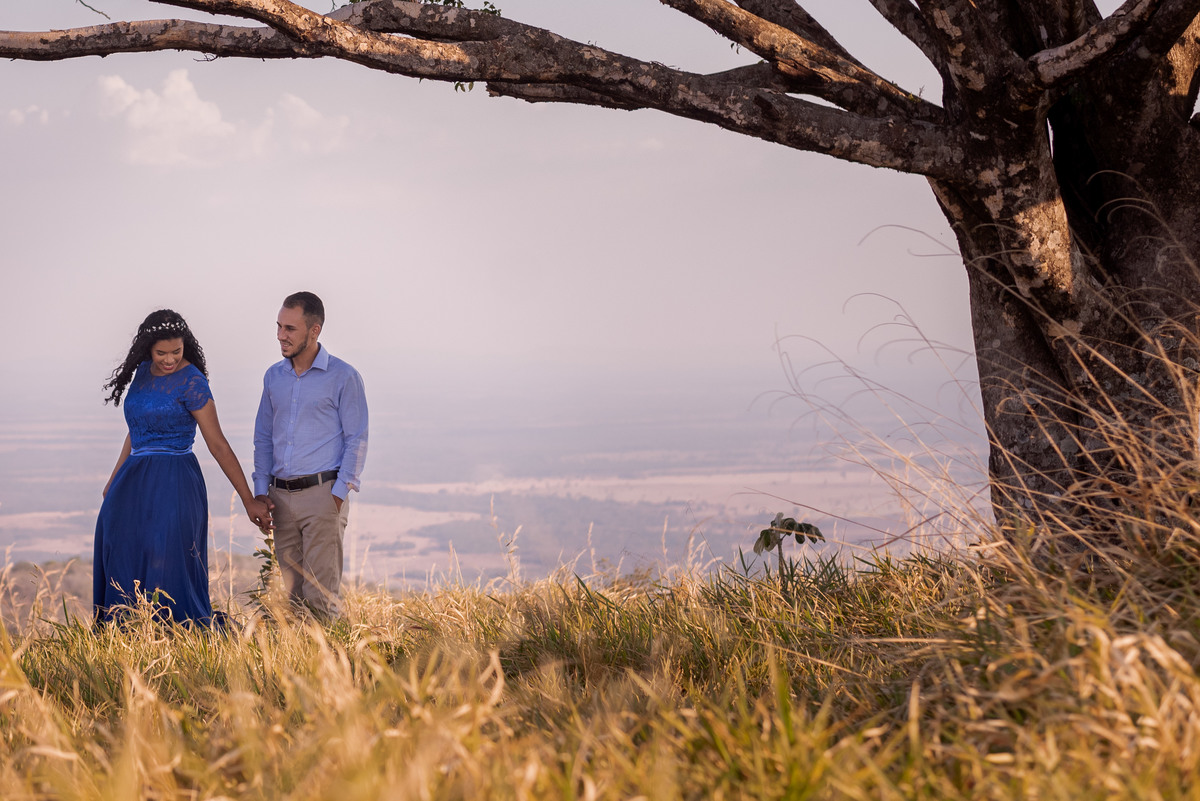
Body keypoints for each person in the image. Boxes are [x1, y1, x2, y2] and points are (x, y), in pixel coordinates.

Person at [95, 309, 271, 625]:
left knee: (167, 560)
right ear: (147, 348)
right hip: (132, 482)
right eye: (161, 352)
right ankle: (129, 630)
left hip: (175, 481)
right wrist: (113, 479)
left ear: (185, 345)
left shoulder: (192, 382)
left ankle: (174, 633)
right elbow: (137, 429)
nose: (169, 359)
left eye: (176, 351)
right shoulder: (143, 373)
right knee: (119, 548)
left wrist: (248, 499)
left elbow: (218, 444)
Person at [253, 291, 368, 620]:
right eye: (278, 326)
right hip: (280, 498)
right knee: (292, 600)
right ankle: (299, 669)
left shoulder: (343, 376)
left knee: (321, 596)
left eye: (289, 328)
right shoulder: (273, 377)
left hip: (323, 496)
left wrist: (339, 493)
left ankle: (334, 668)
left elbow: (357, 437)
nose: (280, 335)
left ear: (314, 330)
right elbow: (263, 437)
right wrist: (261, 490)